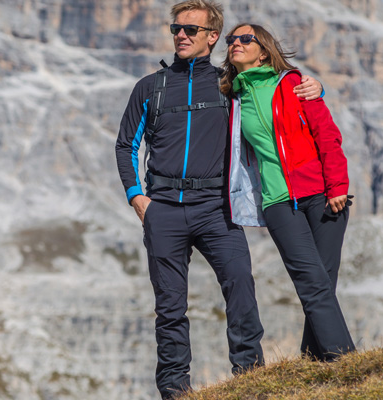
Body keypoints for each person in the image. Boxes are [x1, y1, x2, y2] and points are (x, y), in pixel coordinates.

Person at [114, 2, 323, 398]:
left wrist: (315, 87)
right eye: (176, 28)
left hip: (216, 210)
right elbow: (126, 145)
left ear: (212, 37)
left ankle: (250, 379)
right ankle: (175, 390)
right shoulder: (149, 87)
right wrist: (137, 198)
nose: (181, 35)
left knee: (241, 285)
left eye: (191, 29)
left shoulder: (231, 84)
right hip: (163, 211)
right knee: (170, 308)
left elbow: (274, 96)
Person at [222, 23, 356, 362]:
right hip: (278, 203)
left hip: (322, 194)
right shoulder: (231, 96)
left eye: (245, 39)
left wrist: (337, 185)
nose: (235, 43)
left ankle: (313, 359)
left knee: (324, 282)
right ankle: (346, 362)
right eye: (230, 39)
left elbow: (327, 135)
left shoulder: (293, 84)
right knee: (311, 283)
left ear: (263, 50)